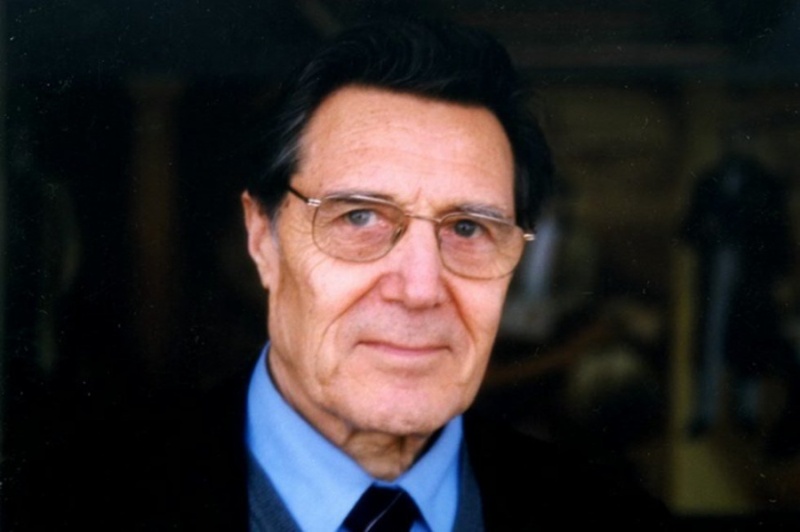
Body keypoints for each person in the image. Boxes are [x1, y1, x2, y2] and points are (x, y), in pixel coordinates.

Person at [3, 18, 671, 531]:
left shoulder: (614, 518)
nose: (419, 289)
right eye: (360, 217)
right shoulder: (63, 510)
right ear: (262, 238)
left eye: (468, 228)